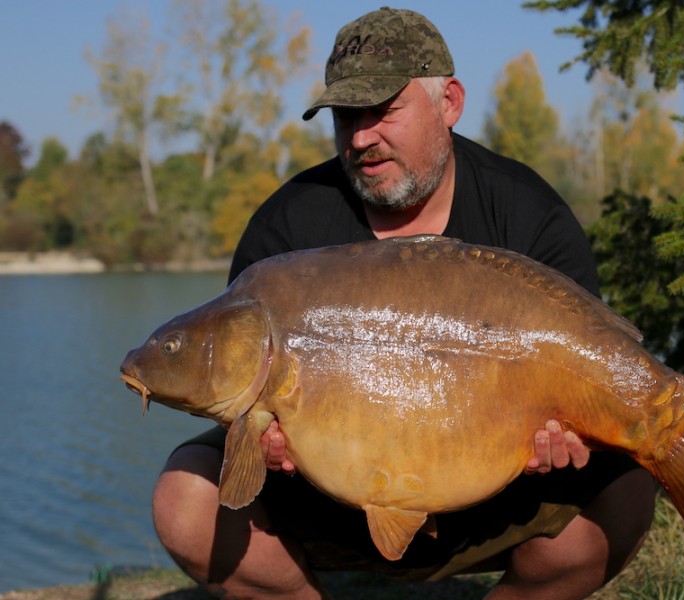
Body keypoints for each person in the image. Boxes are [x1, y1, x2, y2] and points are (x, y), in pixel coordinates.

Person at [152, 7, 655, 599]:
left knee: (625, 492)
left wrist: (575, 434)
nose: (363, 137)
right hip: (326, 500)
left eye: (384, 110)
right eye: (347, 116)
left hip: (497, 496)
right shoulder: (287, 230)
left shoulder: (527, 215)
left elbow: (594, 367)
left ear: (450, 103)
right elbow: (239, 400)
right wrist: (258, 440)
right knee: (184, 498)